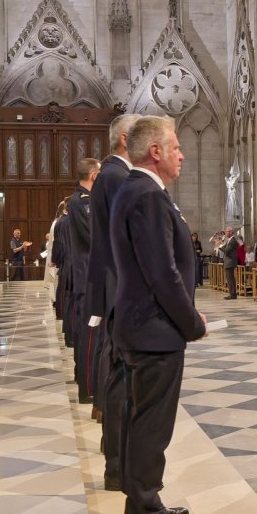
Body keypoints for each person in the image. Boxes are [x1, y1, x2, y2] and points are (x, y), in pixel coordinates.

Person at [111, 114, 204, 514]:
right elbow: (162, 273)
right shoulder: (147, 195)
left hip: (144, 326)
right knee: (150, 426)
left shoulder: (139, 191)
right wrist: (191, 322)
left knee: (142, 422)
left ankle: (143, 505)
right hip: (154, 329)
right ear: (156, 152)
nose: (182, 154)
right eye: (175, 146)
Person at [86, 113, 142, 492]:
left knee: (119, 373)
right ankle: (120, 465)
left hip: (113, 287)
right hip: (121, 288)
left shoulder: (108, 176)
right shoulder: (118, 177)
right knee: (123, 378)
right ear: (126, 139)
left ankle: (117, 457)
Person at [67, 158, 100, 404]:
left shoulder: (81, 201)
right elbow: (94, 236)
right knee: (89, 335)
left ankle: (85, 381)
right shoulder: (82, 202)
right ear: (92, 175)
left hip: (87, 274)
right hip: (88, 275)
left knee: (87, 333)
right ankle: (88, 389)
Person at [218, 227, 239, 298]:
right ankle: (232, 293)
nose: (225, 233)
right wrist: (220, 245)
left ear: (230, 232)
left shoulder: (233, 241)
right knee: (229, 278)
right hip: (228, 261)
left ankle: (232, 294)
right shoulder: (229, 240)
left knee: (230, 278)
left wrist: (220, 245)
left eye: (226, 232)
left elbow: (227, 250)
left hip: (230, 261)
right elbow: (225, 249)